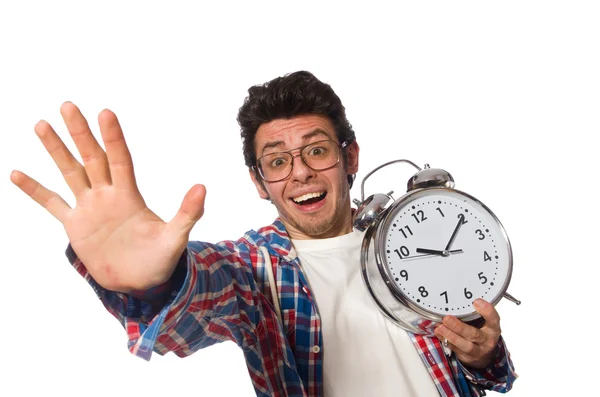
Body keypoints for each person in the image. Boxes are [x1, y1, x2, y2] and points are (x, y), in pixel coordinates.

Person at [10, 71, 517, 397]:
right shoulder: (253, 267)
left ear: (350, 157)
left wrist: (485, 353)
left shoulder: (409, 234)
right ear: (259, 183)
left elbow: (490, 374)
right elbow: (201, 294)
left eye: (316, 151)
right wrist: (154, 282)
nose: (299, 173)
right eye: (277, 162)